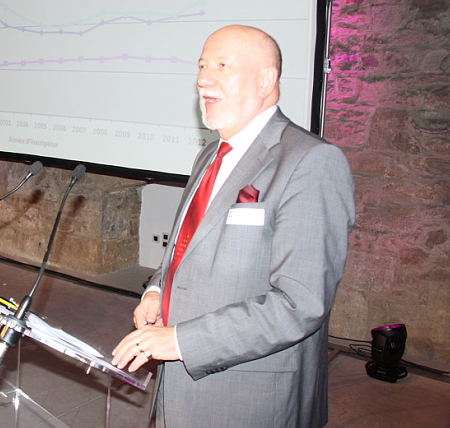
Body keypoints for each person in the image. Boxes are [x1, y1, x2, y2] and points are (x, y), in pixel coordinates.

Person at [112, 25, 355, 427]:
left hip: (251, 396)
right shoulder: (210, 155)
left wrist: (181, 340)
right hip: (182, 388)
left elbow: (301, 303)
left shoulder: (310, 162)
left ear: (266, 81)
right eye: (202, 66)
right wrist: (158, 290)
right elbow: (187, 247)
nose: (203, 79)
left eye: (223, 66)